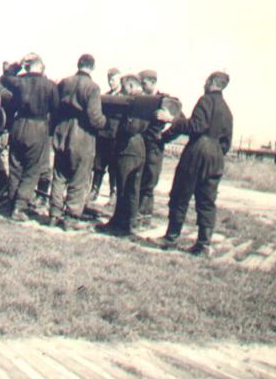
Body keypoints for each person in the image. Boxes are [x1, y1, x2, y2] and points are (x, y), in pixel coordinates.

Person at [155, 71, 233, 255]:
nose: (204, 84)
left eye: (206, 81)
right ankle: (203, 244)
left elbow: (196, 126)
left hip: (197, 152)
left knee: (180, 195)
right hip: (216, 157)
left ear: (212, 82)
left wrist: (172, 119)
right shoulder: (227, 110)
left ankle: (171, 237)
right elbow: (226, 143)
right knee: (207, 201)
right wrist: (214, 152)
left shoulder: (205, 100)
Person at [0, 53, 58, 221]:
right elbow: (56, 110)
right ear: (41, 67)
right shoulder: (50, 86)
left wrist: (18, 65)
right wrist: (50, 131)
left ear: (29, 67)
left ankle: (11, 204)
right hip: (38, 127)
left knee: (16, 166)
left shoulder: (19, 82)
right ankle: (20, 207)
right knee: (32, 170)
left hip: (18, 124)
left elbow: (5, 76)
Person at [49, 54, 107, 229]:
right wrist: (105, 123)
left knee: (59, 175)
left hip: (62, 130)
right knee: (79, 177)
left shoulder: (64, 82)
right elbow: (95, 118)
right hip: (81, 134)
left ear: (78, 64)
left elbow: (55, 108)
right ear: (92, 67)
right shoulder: (93, 88)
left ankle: (54, 215)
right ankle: (71, 219)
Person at [96, 74, 148, 236]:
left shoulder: (136, 102)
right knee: (130, 189)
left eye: (125, 88)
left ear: (131, 86)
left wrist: (118, 126)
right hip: (138, 148)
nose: (124, 92)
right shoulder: (147, 102)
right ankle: (125, 222)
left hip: (128, 149)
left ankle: (123, 225)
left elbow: (132, 127)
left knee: (126, 188)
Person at [138, 69, 171, 219]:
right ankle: (136, 214)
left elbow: (177, 121)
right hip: (140, 145)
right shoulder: (141, 100)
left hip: (154, 147)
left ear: (152, 82)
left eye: (144, 83)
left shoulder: (165, 100)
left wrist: (163, 138)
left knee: (149, 182)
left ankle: (144, 216)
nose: (142, 86)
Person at [90, 67, 123, 203]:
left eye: (113, 79)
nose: (110, 82)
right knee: (99, 165)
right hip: (103, 135)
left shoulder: (124, 97)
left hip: (116, 136)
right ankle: (94, 190)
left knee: (114, 167)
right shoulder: (105, 96)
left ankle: (113, 193)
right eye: (109, 79)